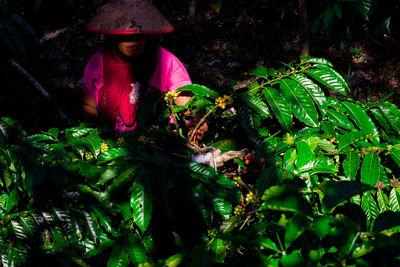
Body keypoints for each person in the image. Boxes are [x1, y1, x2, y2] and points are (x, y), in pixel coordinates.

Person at [81, 0, 206, 134]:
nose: (134, 41)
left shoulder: (166, 61)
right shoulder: (98, 63)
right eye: (127, 37)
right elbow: (89, 106)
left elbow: (183, 98)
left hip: (159, 139)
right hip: (113, 141)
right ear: (114, 36)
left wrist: (193, 120)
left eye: (139, 35)